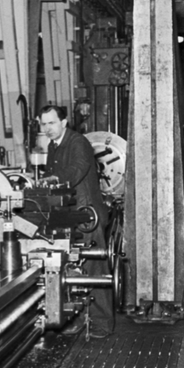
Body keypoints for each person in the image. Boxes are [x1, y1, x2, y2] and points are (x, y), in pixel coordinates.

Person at [38, 103, 114, 338]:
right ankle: (78, 317)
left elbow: (78, 168)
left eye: (52, 123)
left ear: (63, 122)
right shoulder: (54, 145)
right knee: (72, 267)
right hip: (70, 213)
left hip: (87, 214)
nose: (48, 128)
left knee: (94, 266)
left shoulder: (77, 142)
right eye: (44, 124)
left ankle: (102, 323)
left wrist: (54, 179)